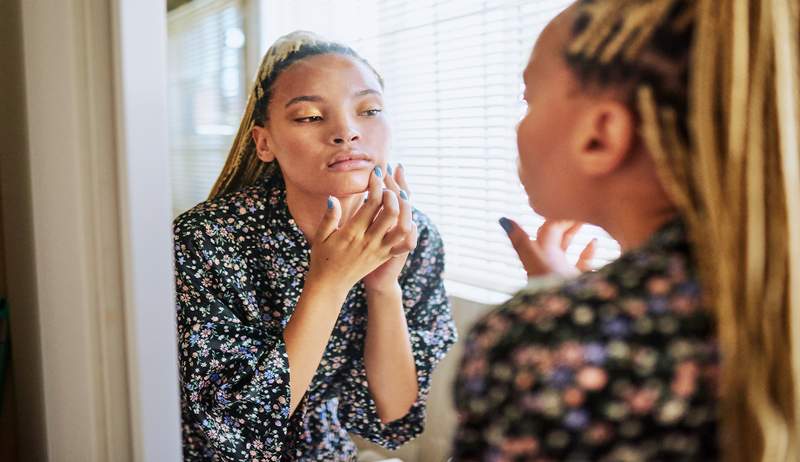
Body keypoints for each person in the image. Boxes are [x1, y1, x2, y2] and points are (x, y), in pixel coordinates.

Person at [453, 1, 799, 460]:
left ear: (600, 135)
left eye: (528, 99)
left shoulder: (545, 343)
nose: (519, 123)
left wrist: (562, 317)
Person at [173, 31, 457, 461]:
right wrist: (329, 280)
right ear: (264, 143)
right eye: (309, 116)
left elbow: (393, 413)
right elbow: (240, 429)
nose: (346, 132)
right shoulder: (204, 240)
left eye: (370, 110)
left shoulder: (409, 235)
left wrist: (384, 287)